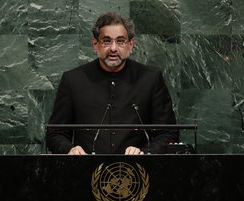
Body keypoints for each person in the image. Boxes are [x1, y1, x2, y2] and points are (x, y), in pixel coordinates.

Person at [46, 12, 179, 155]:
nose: (113, 48)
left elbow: (168, 133)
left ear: (130, 45)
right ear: (95, 44)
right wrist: (70, 149)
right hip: (84, 171)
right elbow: (55, 134)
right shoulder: (73, 80)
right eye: (107, 41)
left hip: (139, 172)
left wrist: (145, 152)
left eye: (120, 41)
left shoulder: (150, 79)